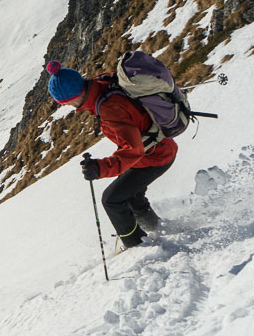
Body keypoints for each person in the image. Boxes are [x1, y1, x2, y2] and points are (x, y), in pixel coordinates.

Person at [45, 60, 177, 248]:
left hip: (154, 156)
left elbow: (133, 150)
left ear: (72, 98)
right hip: (159, 147)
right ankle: (156, 228)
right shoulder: (101, 85)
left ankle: (137, 245)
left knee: (112, 200)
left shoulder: (109, 108)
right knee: (131, 195)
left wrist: (100, 168)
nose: (69, 106)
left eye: (65, 103)